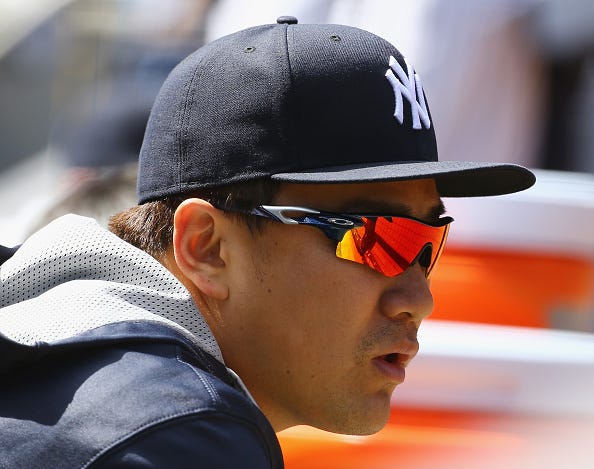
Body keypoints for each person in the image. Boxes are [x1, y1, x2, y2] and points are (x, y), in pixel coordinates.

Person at [0, 17, 535, 468]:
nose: (419, 299)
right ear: (207, 248)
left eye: (427, 243)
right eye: (377, 239)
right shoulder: (177, 432)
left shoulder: (72, 351)